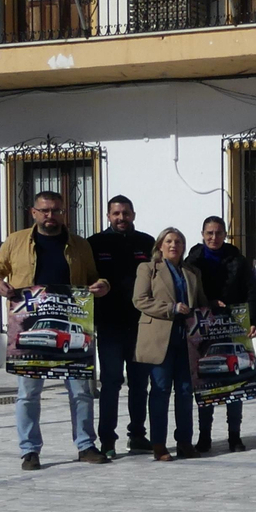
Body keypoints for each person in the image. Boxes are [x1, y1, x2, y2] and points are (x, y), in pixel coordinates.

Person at [0, 190, 110, 470]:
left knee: (80, 392)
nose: (50, 216)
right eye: (44, 210)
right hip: (30, 326)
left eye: (55, 211)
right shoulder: (16, 241)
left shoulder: (79, 245)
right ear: (33, 212)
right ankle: (29, 450)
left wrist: (102, 285)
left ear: (63, 212)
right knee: (28, 394)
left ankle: (86, 445)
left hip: (72, 327)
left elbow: (93, 277)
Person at [86, 195, 154, 457]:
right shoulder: (95, 244)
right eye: (116, 214)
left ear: (133, 215)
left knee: (139, 383)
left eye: (126, 213)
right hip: (109, 325)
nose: (121, 218)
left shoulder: (147, 243)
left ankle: (137, 435)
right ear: (108, 216)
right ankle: (107, 440)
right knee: (111, 382)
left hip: (140, 325)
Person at [185, 216, 256, 454]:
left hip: (233, 325)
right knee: (207, 385)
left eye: (218, 233)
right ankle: (204, 436)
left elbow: (251, 290)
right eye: (209, 233)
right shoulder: (192, 261)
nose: (213, 238)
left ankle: (234, 436)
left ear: (225, 234)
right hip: (205, 327)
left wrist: (253, 320)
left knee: (234, 386)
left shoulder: (237, 259)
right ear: (203, 234)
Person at [133, 227, 204, 462]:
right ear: (160, 245)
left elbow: (200, 301)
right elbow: (140, 300)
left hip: (186, 339)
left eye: (179, 242)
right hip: (159, 337)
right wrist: (170, 309)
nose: (174, 245)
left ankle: (184, 441)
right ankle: (159, 444)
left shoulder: (191, 272)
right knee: (161, 390)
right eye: (169, 241)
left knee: (185, 391)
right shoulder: (148, 268)